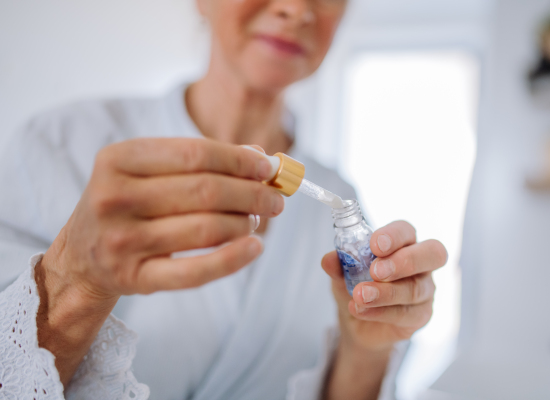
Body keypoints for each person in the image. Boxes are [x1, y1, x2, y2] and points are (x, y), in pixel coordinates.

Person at [0, 0, 447, 399]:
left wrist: (365, 351)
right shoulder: (58, 147)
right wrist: (75, 283)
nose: (297, 8)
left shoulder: (339, 202)